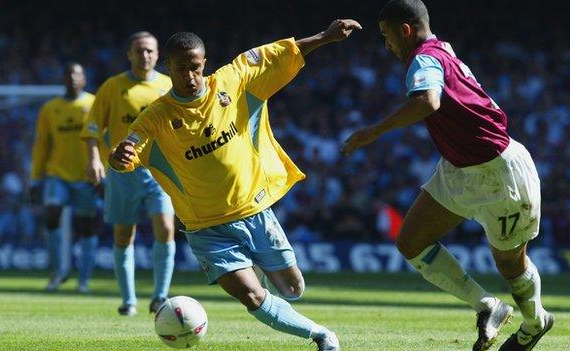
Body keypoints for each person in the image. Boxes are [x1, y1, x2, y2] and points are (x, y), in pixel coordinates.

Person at [110, 20, 361, 351]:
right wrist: (118, 156)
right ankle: (321, 335)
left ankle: (259, 267)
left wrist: (325, 38)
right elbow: (125, 155)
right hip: (205, 229)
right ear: (167, 67)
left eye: (195, 67)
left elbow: (281, 54)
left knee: (292, 288)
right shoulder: (155, 117)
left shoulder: (234, 80)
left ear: (205, 62)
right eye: (181, 69)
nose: (189, 76)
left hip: (254, 211)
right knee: (251, 294)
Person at [342, 1, 553, 350]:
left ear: (405, 30)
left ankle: (535, 322)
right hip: (457, 168)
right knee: (411, 241)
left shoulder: (423, 59)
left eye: (386, 36)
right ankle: (488, 306)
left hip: (500, 174)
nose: (386, 45)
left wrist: (372, 132)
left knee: (510, 265)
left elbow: (428, 101)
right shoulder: (440, 49)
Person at [81, 31, 175, 316]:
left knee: (166, 228)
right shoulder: (113, 87)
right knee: (123, 235)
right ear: (129, 54)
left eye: (149, 50)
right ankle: (129, 301)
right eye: (139, 50)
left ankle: (160, 297)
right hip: (121, 172)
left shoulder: (169, 86)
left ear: (157, 55)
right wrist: (94, 159)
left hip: (158, 170)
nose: (144, 55)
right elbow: (93, 127)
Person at [30, 63, 98, 293]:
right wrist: (35, 178)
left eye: (77, 74)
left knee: (86, 226)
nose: (72, 78)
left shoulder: (93, 104)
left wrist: (104, 173)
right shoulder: (50, 109)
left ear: (84, 79)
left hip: (86, 176)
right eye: (68, 74)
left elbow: (104, 141)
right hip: (56, 174)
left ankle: (84, 280)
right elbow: (42, 144)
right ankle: (59, 271)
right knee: (51, 214)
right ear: (62, 79)